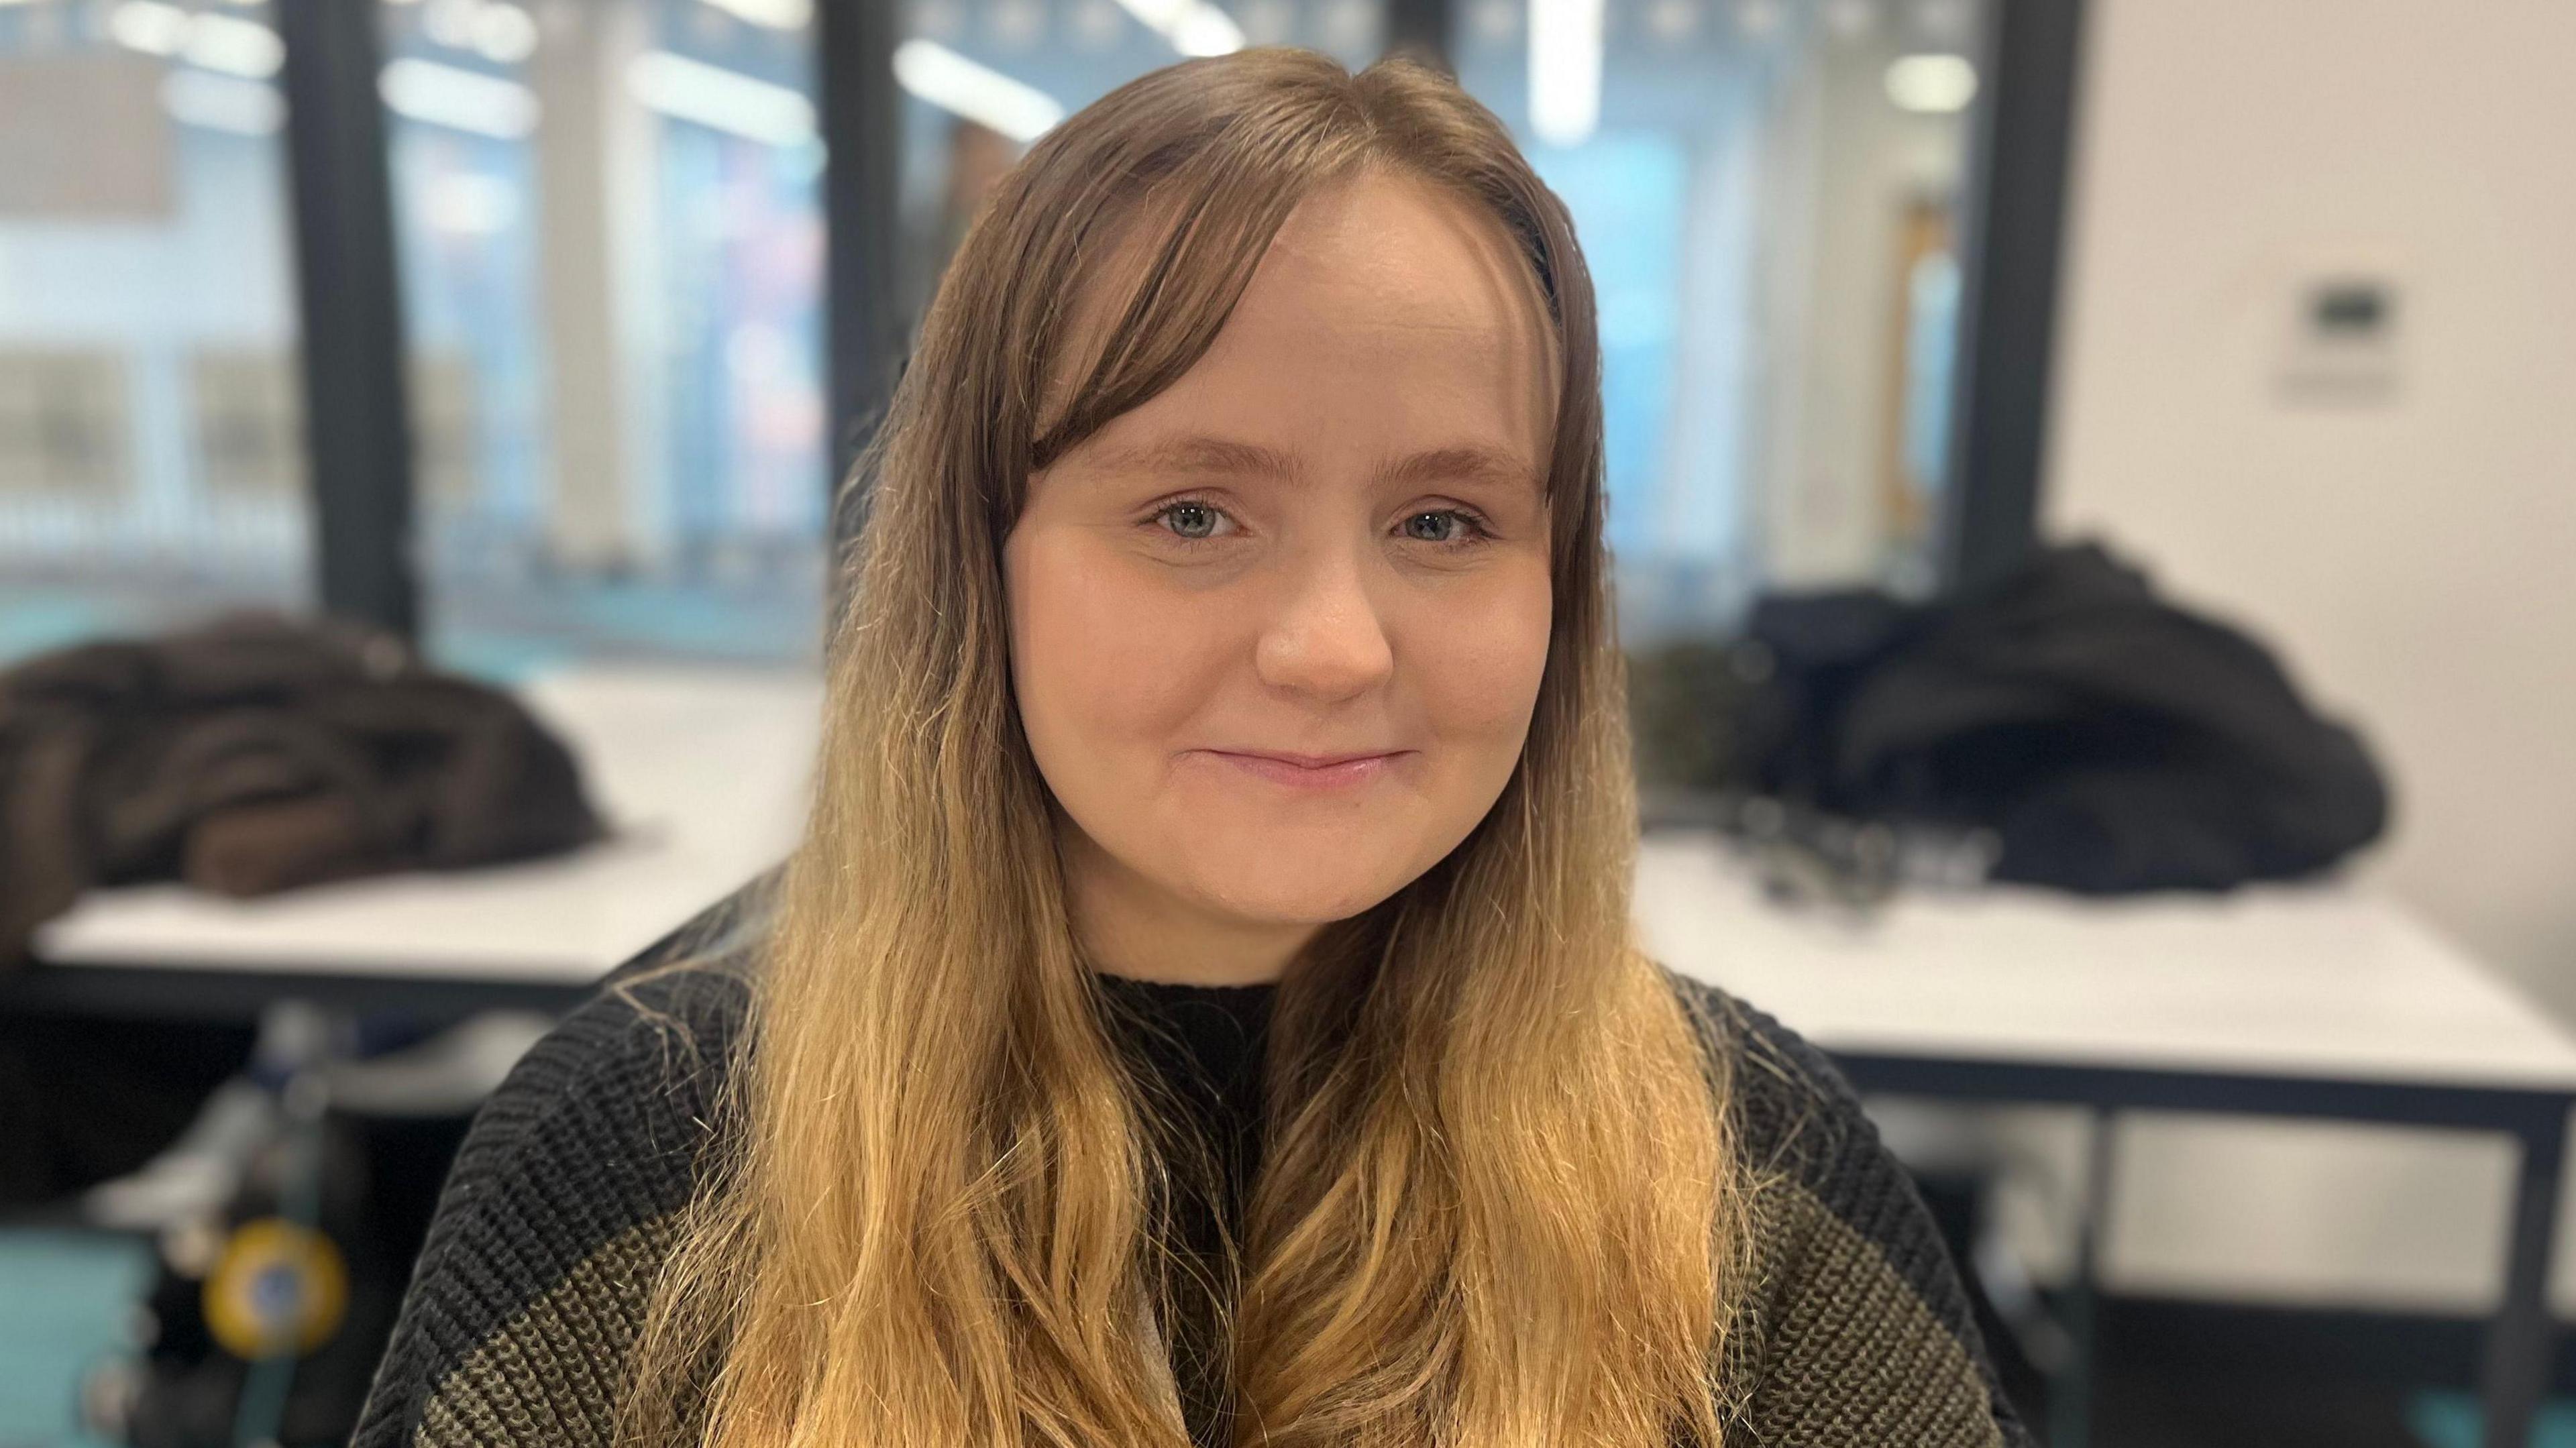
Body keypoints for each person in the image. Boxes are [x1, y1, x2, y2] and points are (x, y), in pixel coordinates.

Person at [352, 48, 2033, 1448]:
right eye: (1192, 511)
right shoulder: (650, 1163)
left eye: (1445, 520)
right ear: (980, 562)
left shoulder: (1749, 1178)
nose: (1332, 648)